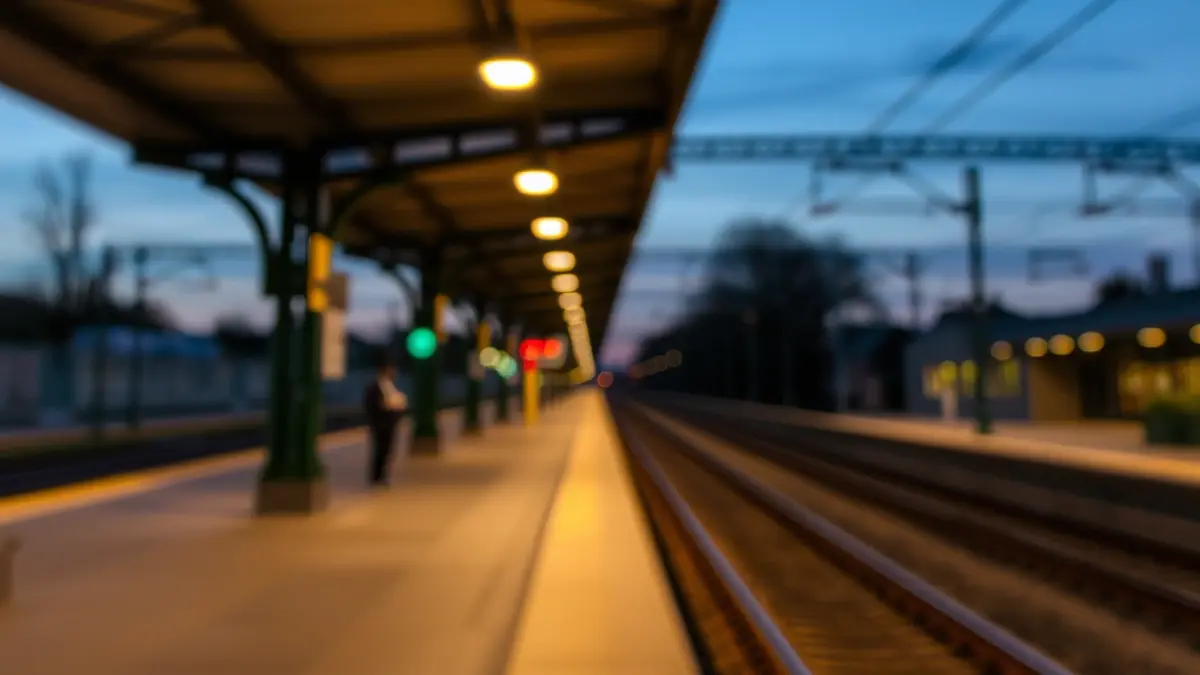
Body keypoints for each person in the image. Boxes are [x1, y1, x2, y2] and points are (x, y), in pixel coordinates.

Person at [363, 355, 408, 486]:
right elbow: (372, 405)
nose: (394, 373)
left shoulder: (391, 386)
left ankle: (383, 475)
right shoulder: (374, 387)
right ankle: (376, 476)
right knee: (379, 449)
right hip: (380, 423)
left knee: (388, 450)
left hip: (390, 423)